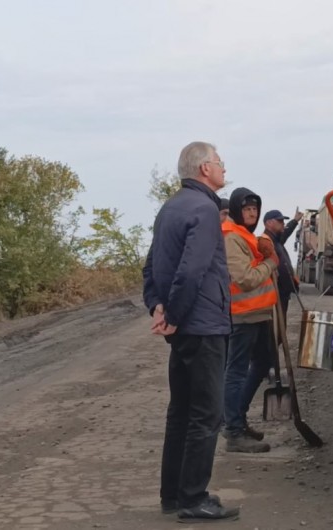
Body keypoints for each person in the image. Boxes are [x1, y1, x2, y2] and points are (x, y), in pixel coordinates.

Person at [142, 141, 239, 522]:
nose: (223, 167)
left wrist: (158, 305)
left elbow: (151, 265)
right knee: (206, 414)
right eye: (219, 161)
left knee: (180, 412)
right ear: (204, 169)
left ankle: (173, 494)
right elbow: (192, 270)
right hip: (203, 327)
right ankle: (194, 498)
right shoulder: (205, 209)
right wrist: (175, 313)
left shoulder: (170, 208)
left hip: (184, 329)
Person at [221, 187, 278, 453]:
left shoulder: (245, 235)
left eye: (255, 209)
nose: (252, 213)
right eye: (247, 209)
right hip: (242, 315)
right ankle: (233, 430)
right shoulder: (232, 237)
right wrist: (271, 263)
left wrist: (265, 256)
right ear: (236, 210)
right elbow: (244, 278)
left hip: (258, 314)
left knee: (263, 363)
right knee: (236, 372)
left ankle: (238, 418)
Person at [262, 208, 303, 318]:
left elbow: (286, 232)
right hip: (275, 293)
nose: (283, 224)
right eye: (279, 221)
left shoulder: (277, 240)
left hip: (282, 293)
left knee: (281, 320)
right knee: (275, 323)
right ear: (269, 223)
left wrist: (295, 221)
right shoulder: (266, 242)